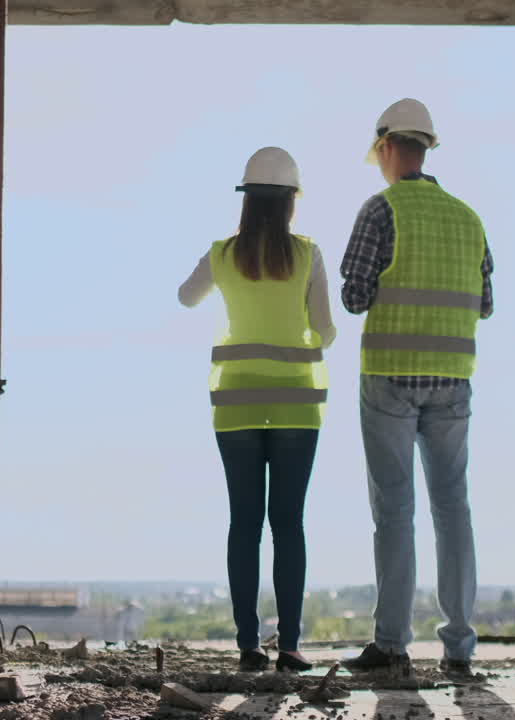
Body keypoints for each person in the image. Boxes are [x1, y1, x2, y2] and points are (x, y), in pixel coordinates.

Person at [338, 99, 494, 678]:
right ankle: (458, 648)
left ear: (385, 147)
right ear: (426, 148)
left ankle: (392, 645)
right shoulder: (468, 217)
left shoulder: (380, 210)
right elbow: (486, 303)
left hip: (390, 380)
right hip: (453, 381)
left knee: (395, 511)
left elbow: (354, 297)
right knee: (453, 509)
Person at [178, 147, 336, 673]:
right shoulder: (309, 254)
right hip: (296, 404)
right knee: (288, 522)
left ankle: (248, 645)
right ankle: (289, 645)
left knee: (244, 522)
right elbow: (327, 330)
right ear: (291, 201)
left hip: (236, 403)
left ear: (246, 201)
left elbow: (185, 297)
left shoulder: (223, 253)